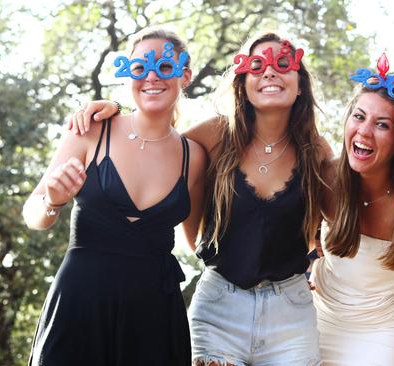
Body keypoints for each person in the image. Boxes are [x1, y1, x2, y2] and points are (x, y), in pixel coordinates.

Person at [71, 32, 331, 366]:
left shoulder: (317, 151)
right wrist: (117, 109)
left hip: (291, 317)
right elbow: (157, 141)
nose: (269, 72)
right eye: (257, 65)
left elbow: (324, 225)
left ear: (301, 84)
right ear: (242, 80)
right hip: (219, 308)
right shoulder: (214, 135)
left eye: (283, 64)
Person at [23, 28, 206, 365]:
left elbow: (200, 241)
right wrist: (53, 200)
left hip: (153, 314)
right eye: (139, 69)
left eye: (165, 67)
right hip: (79, 303)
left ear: (186, 75)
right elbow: (33, 214)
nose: (151, 76)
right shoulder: (92, 129)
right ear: (126, 75)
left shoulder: (194, 157)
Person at [310, 57, 394, 365]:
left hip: (384, 327)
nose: (364, 132)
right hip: (322, 315)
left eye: (382, 125)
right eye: (359, 117)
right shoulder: (327, 177)